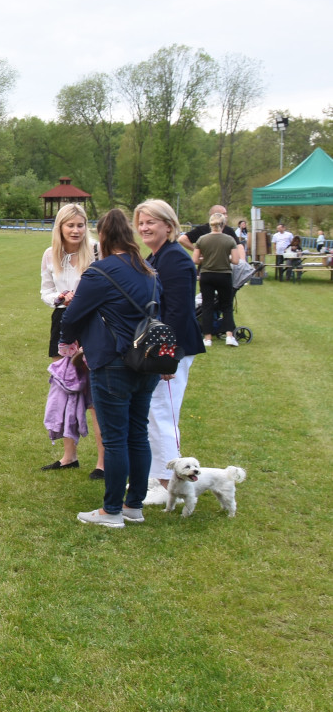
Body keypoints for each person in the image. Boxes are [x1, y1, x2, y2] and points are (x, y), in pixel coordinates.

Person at [58, 208, 161, 528]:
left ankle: (112, 510)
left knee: (115, 438)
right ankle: (134, 505)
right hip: (147, 361)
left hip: (112, 362)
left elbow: (72, 315)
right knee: (138, 435)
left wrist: (65, 343)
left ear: (102, 236)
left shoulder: (99, 272)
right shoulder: (148, 270)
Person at [134, 199, 204, 506]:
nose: (144, 228)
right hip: (161, 347)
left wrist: (167, 356)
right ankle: (156, 475)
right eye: (141, 223)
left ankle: (168, 484)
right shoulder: (157, 255)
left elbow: (178, 311)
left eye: (151, 222)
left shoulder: (174, 258)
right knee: (152, 412)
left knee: (163, 413)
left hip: (173, 349)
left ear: (168, 225)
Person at [39, 203, 106, 474]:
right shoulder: (49, 254)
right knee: (65, 390)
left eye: (80, 225)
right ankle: (69, 456)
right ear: (60, 227)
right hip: (63, 321)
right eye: (70, 225)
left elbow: (107, 286)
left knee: (96, 395)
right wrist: (58, 297)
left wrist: (84, 298)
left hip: (92, 323)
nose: (76, 230)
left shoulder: (97, 250)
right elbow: (45, 290)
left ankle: (103, 462)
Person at [192, 212, 242, 347]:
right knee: (226, 306)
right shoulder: (229, 240)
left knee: (207, 306)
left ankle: (207, 338)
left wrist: (206, 259)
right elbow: (236, 260)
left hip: (207, 275)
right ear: (223, 224)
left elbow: (195, 260)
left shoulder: (202, 239)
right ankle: (229, 335)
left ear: (210, 224)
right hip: (224, 275)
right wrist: (225, 258)